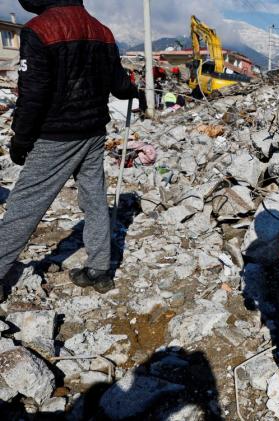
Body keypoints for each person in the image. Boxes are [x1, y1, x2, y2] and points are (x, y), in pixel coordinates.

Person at [1, 0, 138, 294]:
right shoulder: (103, 31)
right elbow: (121, 87)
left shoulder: (39, 29)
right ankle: (100, 270)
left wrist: (21, 139)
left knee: (25, 206)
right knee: (94, 198)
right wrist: (131, 88)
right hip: (92, 133)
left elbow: (33, 93)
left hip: (56, 136)